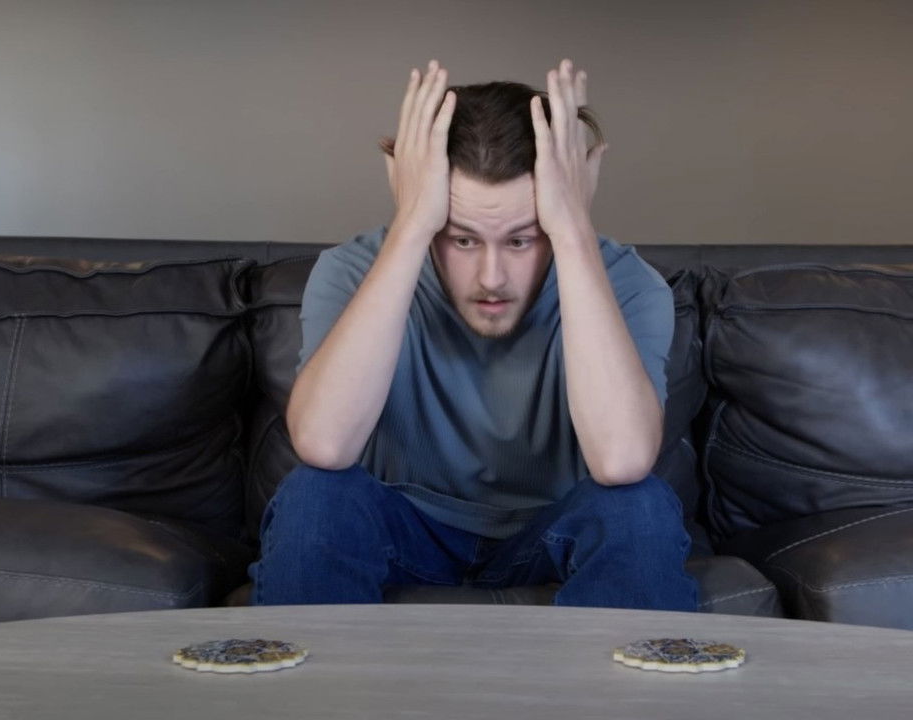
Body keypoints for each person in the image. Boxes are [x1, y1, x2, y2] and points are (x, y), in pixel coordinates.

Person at [249, 59, 699, 610]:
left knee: (639, 503)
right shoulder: (354, 269)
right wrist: (413, 225)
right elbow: (324, 444)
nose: (491, 278)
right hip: (406, 525)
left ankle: (624, 701)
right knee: (314, 495)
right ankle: (307, 700)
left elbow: (622, 460)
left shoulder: (627, 282)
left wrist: (573, 230)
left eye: (522, 240)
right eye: (462, 239)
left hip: (550, 530)